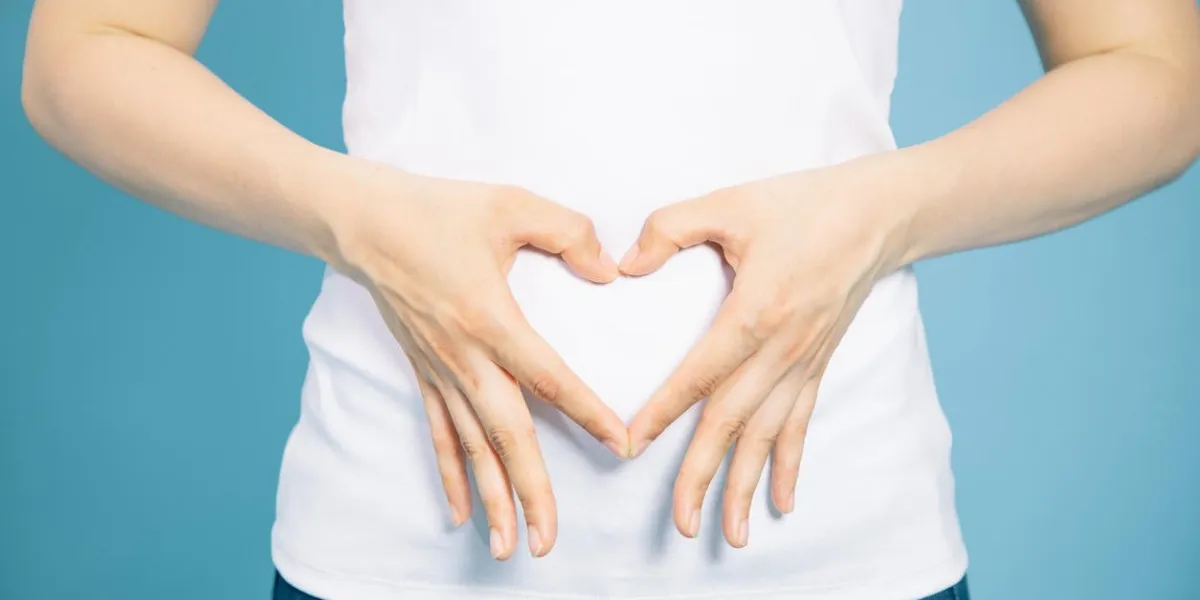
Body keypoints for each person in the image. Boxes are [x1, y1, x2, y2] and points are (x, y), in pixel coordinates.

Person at [20, 0, 1200, 598]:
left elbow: (1155, 76)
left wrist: (887, 209)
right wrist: (360, 218)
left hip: (839, 553)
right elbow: (84, 51)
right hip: (400, 548)